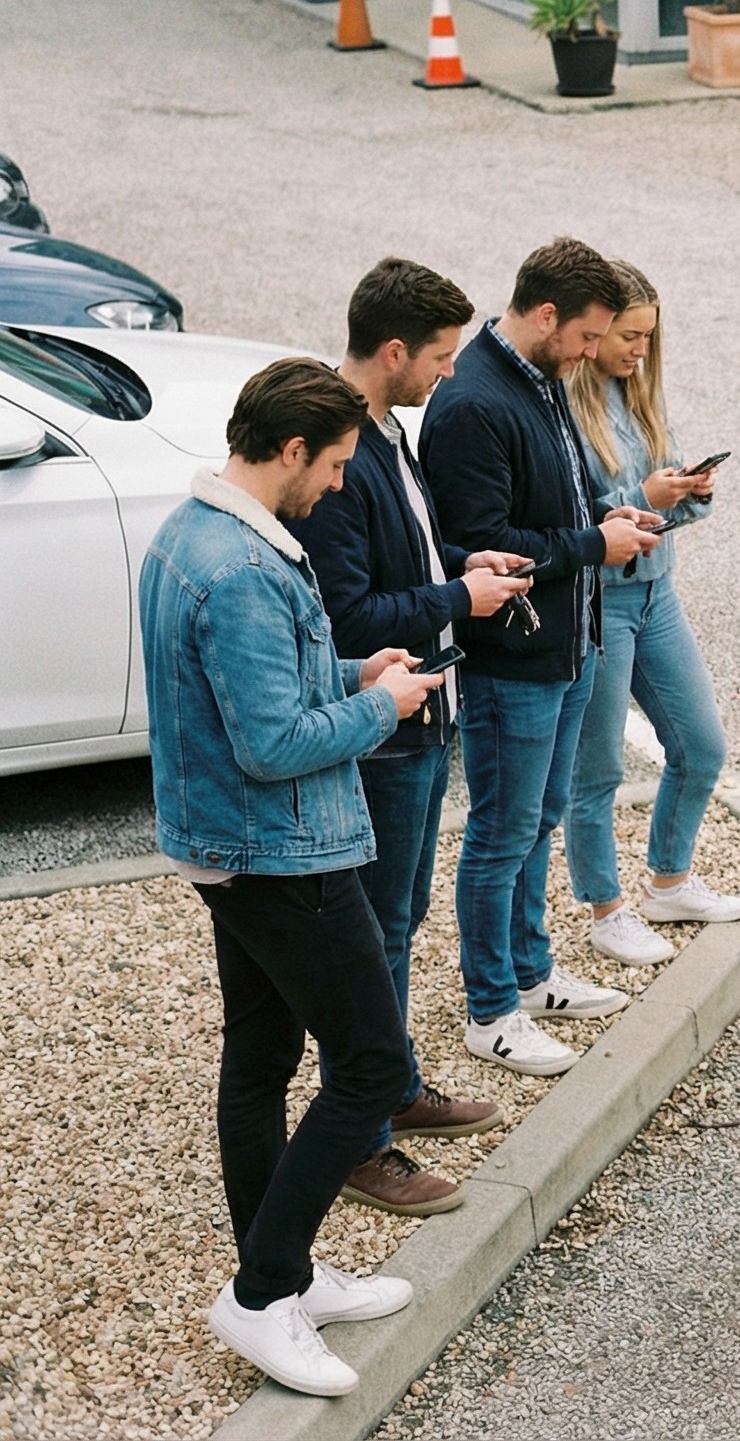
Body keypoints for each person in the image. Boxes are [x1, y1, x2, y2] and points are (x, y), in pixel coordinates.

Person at [139, 357, 445, 1398]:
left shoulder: (195, 535)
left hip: (230, 847)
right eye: (336, 464)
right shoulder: (243, 568)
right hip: (282, 849)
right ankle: (263, 1293)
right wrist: (382, 711)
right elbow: (270, 742)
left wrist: (352, 672)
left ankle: (289, 1274)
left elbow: (251, 688)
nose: (341, 485)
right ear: (287, 450)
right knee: (370, 1065)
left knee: (262, 1055)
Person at [288, 259, 527, 1218]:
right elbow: (347, 616)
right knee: (374, 931)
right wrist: (457, 599)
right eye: (437, 357)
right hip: (383, 728)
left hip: (425, 716)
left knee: (401, 916)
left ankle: (390, 1087)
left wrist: (468, 562)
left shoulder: (391, 430)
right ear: (392, 352)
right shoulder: (342, 454)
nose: (448, 374)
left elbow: (415, 555)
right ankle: (361, 1138)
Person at [421, 238, 660, 1079]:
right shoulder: (472, 404)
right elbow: (483, 546)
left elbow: (559, 499)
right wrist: (595, 543)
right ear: (548, 315)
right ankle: (491, 1009)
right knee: (500, 833)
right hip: (509, 660)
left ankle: (530, 973)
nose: (597, 354)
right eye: (590, 336)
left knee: (540, 819)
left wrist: (617, 517)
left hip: (566, 645)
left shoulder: (543, 378)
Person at [561, 260, 740, 967]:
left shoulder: (638, 393)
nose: (640, 351)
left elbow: (663, 510)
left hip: (656, 591)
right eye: (629, 336)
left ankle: (669, 881)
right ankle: (606, 909)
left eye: (649, 338)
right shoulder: (565, 403)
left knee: (701, 746)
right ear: (598, 327)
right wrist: (642, 494)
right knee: (598, 768)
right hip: (600, 602)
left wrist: (689, 491)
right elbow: (569, 519)